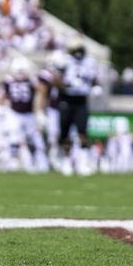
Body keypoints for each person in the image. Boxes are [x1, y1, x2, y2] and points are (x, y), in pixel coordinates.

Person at [57, 38, 99, 176]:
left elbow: (94, 79)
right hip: (66, 99)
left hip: (81, 100)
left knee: (83, 131)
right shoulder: (64, 61)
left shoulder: (90, 62)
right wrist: (66, 84)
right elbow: (56, 80)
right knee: (65, 132)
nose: (78, 53)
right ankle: (67, 162)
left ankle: (83, 162)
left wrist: (96, 86)